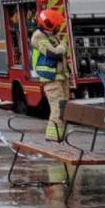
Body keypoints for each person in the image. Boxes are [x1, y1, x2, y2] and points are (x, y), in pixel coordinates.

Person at [30, 9, 70, 141]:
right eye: (57, 25)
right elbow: (54, 53)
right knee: (58, 109)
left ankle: (60, 137)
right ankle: (53, 139)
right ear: (49, 24)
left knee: (64, 109)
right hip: (51, 79)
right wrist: (63, 46)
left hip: (60, 78)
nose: (59, 27)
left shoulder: (51, 36)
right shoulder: (38, 36)